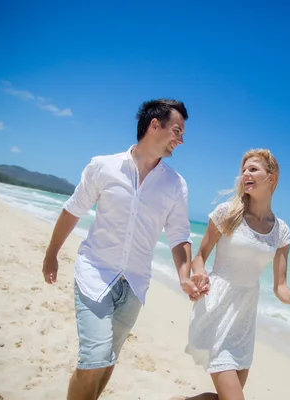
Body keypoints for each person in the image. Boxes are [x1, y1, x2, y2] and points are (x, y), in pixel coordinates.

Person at [41, 98, 206, 400]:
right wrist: (52, 253)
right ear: (154, 125)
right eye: (177, 131)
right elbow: (73, 209)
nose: (180, 141)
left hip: (135, 284)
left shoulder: (176, 185)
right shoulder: (103, 166)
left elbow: (179, 236)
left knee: (107, 360)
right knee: (95, 357)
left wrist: (184, 275)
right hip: (95, 272)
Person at [174, 149, 290, 400]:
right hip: (216, 306)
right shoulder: (227, 213)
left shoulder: (281, 231)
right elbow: (200, 256)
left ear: (271, 178)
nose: (245, 174)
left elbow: (280, 286)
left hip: (244, 318)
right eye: (244, 170)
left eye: (253, 169)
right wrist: (200, 273)